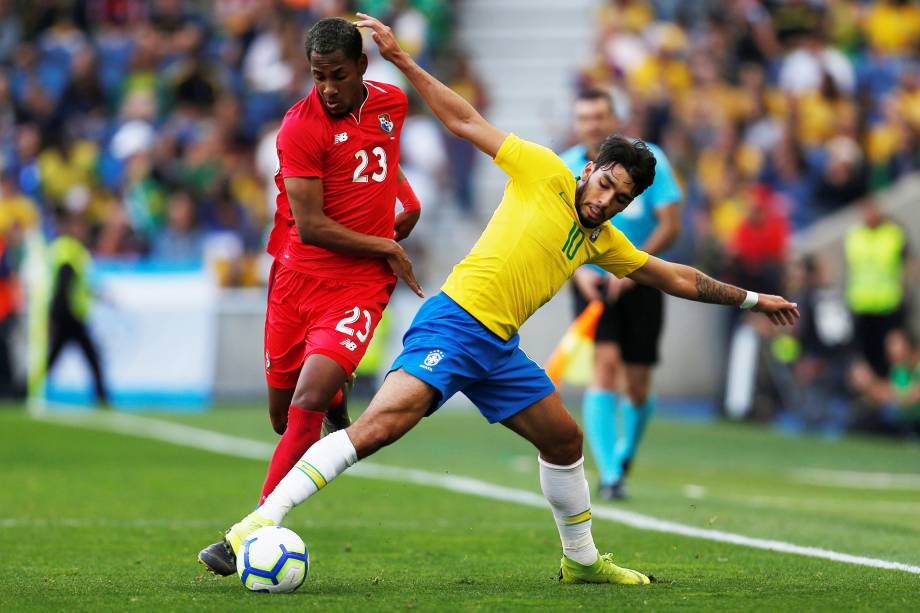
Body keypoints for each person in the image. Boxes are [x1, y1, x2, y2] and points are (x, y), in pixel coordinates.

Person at [197, 14, 799, 586]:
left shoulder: (601, 240)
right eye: (606, 185)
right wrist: (402, 58)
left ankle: (582, 562)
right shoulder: (542, 171)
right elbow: (462, 121)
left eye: (621, 200)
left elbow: (675, 277)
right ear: (590, 169)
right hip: (454, 325)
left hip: (498, 350)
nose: (607, 202)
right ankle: (255, 524)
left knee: (564, 441)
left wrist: (751, 299)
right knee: (379, 428)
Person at [198, 17, 425, 575]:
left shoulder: (392, 103)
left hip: (359, 283)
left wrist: (408, 203)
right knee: (282, 416)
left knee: (305, 401)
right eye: (318, 76)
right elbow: (312, 224)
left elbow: (381, 162)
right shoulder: (299, 128)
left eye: (337, 75)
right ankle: (334, 402)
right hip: (296, 278)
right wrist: (389, 244)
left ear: (361, 68)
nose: (326, 87)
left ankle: (249, 531)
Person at [560, 88, 683, 500]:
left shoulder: (653, 163)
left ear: (613, 119)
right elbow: (560, 230)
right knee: (605, 364)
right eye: (584, 117)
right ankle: (611, 475)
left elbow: (670, 224)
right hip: (592, 280)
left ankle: (623, 454)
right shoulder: (566, 167)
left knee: (639, 383)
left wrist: (634, 268)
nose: (591, 124)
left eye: (598, 116)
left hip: (642, 279)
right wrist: (578, 274)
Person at [46, 213, 108, 406]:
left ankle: (25, 391)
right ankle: (102, 396)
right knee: (90, 357)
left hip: (69, 314)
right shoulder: (70, 250)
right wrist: (56, 315)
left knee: (58, 357)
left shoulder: (62, 248)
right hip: (70, 315)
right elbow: (65, 284)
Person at [845, 198, 909, 377]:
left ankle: (901, 387)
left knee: (896, 351)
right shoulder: (854, 236)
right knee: (871, 354)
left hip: (889, 303)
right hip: (862, 305)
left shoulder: (893, 233)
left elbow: (907, 265)